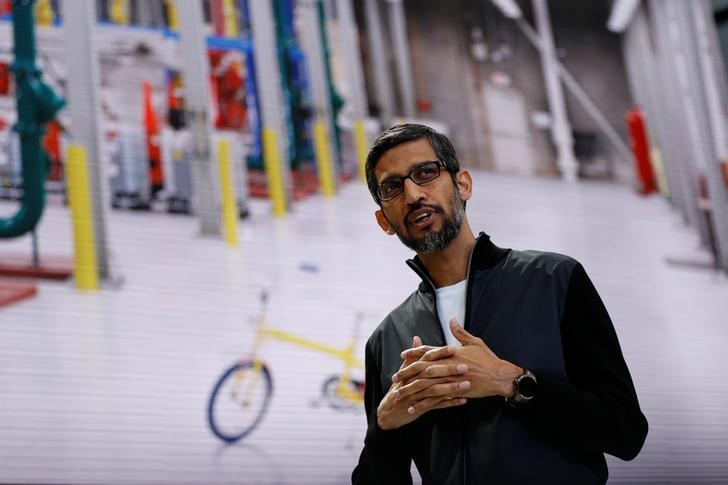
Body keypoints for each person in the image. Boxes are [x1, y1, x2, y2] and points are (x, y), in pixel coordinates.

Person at [351, 124, 648, 484]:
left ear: (463, 185)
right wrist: (383, 428)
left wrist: (510, 381)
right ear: (384, 221)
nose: (413, 194)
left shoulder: (554, 279)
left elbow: (626, 432)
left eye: (425, 173)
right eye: (392, 187)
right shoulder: (387, 341)